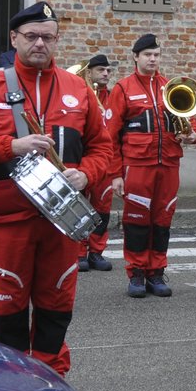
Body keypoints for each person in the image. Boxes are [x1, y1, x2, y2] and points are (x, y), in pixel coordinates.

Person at [0, 2, 116, 374]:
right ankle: (11, 383)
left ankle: (51, 380)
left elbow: (103, 148)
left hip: (62, 223)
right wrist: (12, 146)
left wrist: (87, 174)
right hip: (7, 221)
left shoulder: (78, 88)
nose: (39, 43)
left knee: (57, 304)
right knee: (8, 308)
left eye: (47, 37)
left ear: (56, 40)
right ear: (14, 38)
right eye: (31, 36)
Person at [104, 34, 196, 299]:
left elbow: (193, 125)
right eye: (147, 54)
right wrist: (114, 174)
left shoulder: (172, 86)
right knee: (136, 220)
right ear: (136, 56)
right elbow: (110, 136)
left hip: (169, 163)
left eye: (157, 54)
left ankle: (156, 272)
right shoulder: (122, 89)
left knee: (162, 219)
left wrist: (193, 135)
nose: (153, 59)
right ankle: (136, 272)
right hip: (137, 165)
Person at [78, 53, 117, 273]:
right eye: (100, 70)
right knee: (81, 206)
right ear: (89, 72)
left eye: (108, 70)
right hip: (85, 160)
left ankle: (96, 251)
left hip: (108, 164)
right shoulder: (83, 95)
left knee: (102, 210)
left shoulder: (113, 97)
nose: (105, 74)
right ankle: (79, 251)